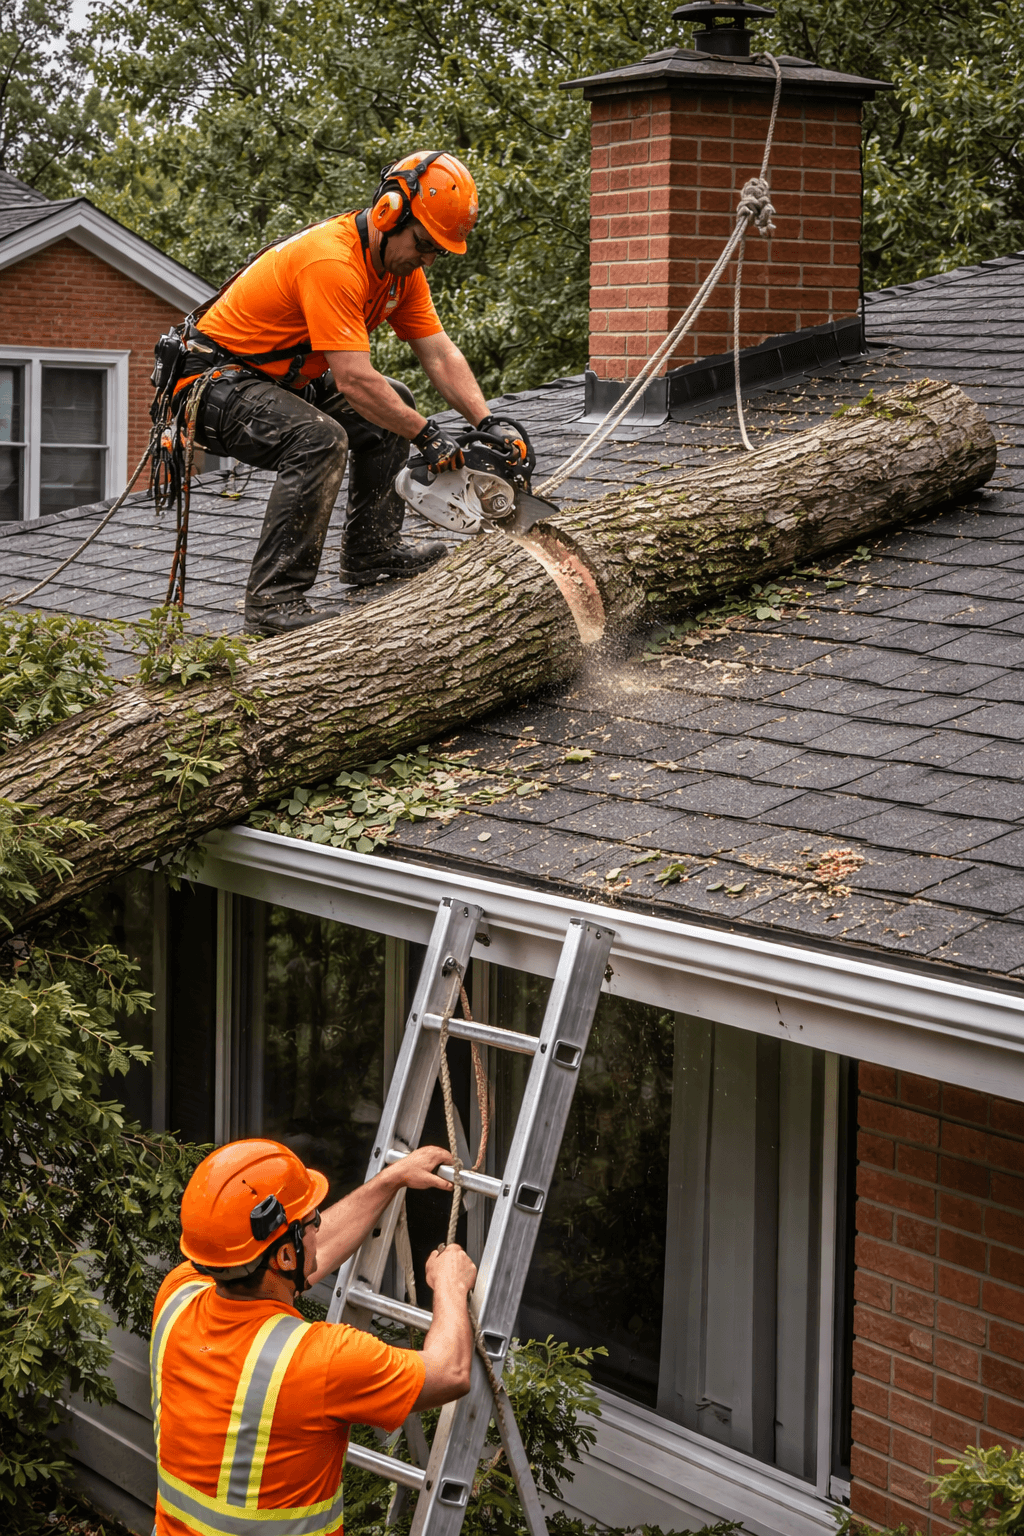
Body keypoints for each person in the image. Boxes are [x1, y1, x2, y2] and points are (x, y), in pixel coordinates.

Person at [178, 150, 525, 636]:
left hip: (275, 377)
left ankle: (372, 551)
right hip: (211, 384)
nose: (426, 259)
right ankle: (274, 600)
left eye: (437, 252)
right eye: (423, 244)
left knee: (394, 403)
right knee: (319, 437)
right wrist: (427, 435)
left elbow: (439, 354)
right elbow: (355, 382)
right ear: (389, 212)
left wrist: (486, 423)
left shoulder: (401, 276)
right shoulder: (333, 261)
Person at [150, 1137, 477, 1536]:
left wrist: (389, 1181)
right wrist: (449, 1284)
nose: (319, 1229)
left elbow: (286, 1266)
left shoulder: (177, 1295)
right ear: (285, 1256)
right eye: (313, 1222)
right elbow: (450, 1371)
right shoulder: (320, 1359)